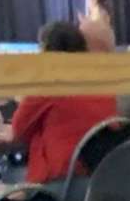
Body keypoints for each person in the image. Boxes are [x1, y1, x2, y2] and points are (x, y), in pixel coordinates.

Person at [9, 20, 118, 184]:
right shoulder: (104, 83)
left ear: (46, 52)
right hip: (105, 177)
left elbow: (18, 130)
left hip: (63, 179)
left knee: (10, 175)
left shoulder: (49, 84)